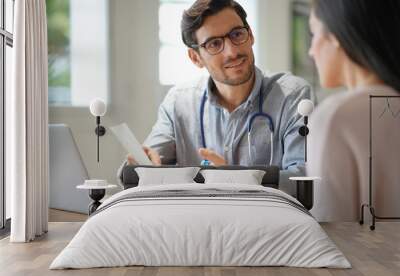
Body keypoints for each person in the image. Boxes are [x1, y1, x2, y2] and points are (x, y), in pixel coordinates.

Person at [119, 0, 314, 194]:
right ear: (196, 58)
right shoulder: (178, 104)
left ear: (251, 35)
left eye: (237, 34)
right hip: (198, 221)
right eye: (214, 44)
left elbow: (303, 180)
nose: (232, 51)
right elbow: (135, 170)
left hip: (269, 220)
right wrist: (141, 167)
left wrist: (234, 179)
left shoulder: (293, 97)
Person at [307, 0, 400, 221]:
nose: (311, 51)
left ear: (337, 35)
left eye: (314, 34)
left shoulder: (337, 116)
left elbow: (331, 236)